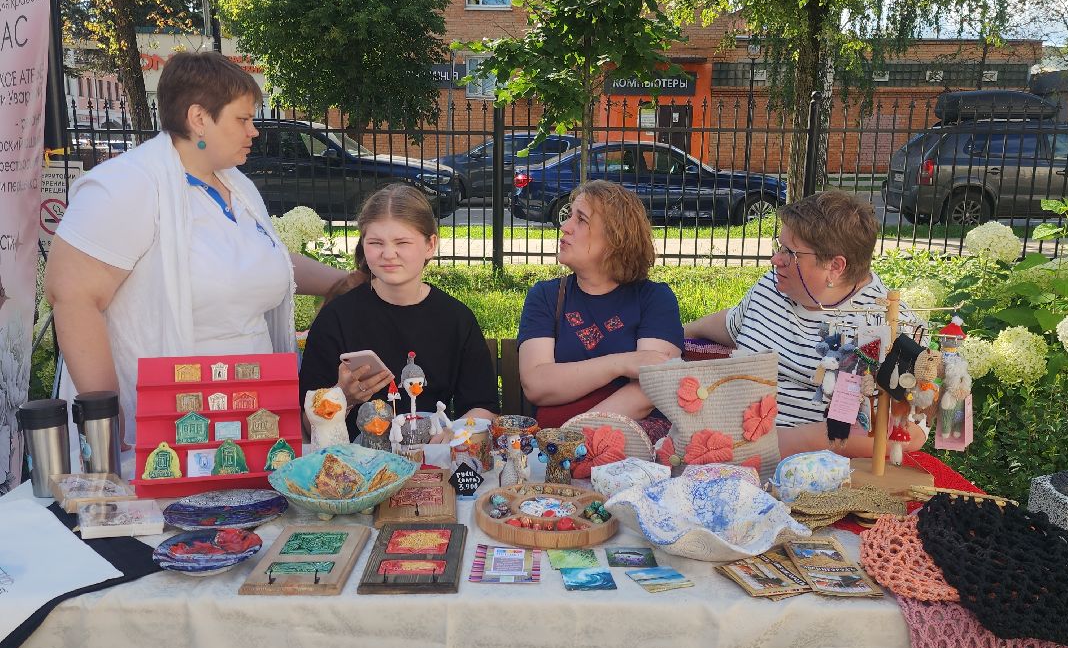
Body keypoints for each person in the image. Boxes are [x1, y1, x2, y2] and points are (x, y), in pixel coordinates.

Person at [45, 51, 358, 445]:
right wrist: (109, 425)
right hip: (164, 428)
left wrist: (344, 282)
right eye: (242, 119)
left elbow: (263, 262)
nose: (254, 131)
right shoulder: (126, 186)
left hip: (252, 415)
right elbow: (72, 296)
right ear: (198, 119)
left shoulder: (236, 186)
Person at [685, 190, 926, 459]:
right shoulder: (772, 288)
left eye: (790, 253)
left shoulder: (889, 327)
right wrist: (683, 332)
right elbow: (735, 323)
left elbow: (909, 433)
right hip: (723, 448)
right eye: (778, 246)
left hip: (810, 472)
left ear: (835, 266)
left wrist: (795, 441)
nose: (776, 259)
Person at [299, 183, 498, 440]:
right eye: (375, 242)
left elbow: (483, 407)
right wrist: (343, 396)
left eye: (402, 242)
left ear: (430, 245)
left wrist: (455, 433)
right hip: (353, 467)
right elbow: (307, 424)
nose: (388, 254)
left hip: (432, 463)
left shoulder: (455, 319)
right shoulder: (336, 319)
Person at [517, 181, 683, 428]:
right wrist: (620, 364)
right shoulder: (547, 296)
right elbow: (536, 384)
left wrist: (575, 434)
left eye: (581, 219)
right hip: (553, 455)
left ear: (615, 238)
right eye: (569, 215)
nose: (564, 226)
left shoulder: (654, 299)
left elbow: (650, 390)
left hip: (629, 455)